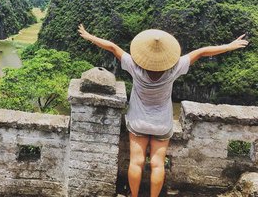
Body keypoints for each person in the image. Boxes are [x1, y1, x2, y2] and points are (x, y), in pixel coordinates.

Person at [77, 24, 249, 197]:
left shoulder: (134, 67)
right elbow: (202, 52)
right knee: (158, 164)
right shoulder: (174, 69)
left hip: (138, 122)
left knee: (136, 162)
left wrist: (90, 36)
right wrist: (228, 46)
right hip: (162, 124)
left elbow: (113, 47)